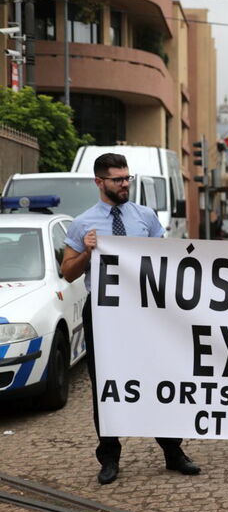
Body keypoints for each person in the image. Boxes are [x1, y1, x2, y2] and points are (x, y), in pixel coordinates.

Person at [60, 153, 201, 485]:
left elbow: (164, 260)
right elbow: (68, 273)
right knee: (106, 385)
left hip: (143, 313)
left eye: (128, 178)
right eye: (118, 179)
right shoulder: (82, 223)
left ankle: (172, 451)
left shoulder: (146, 216)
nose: (125, 185)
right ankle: (109, 456)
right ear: (100, 182)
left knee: (156, 377)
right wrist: (86, 252)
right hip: (104, 314)